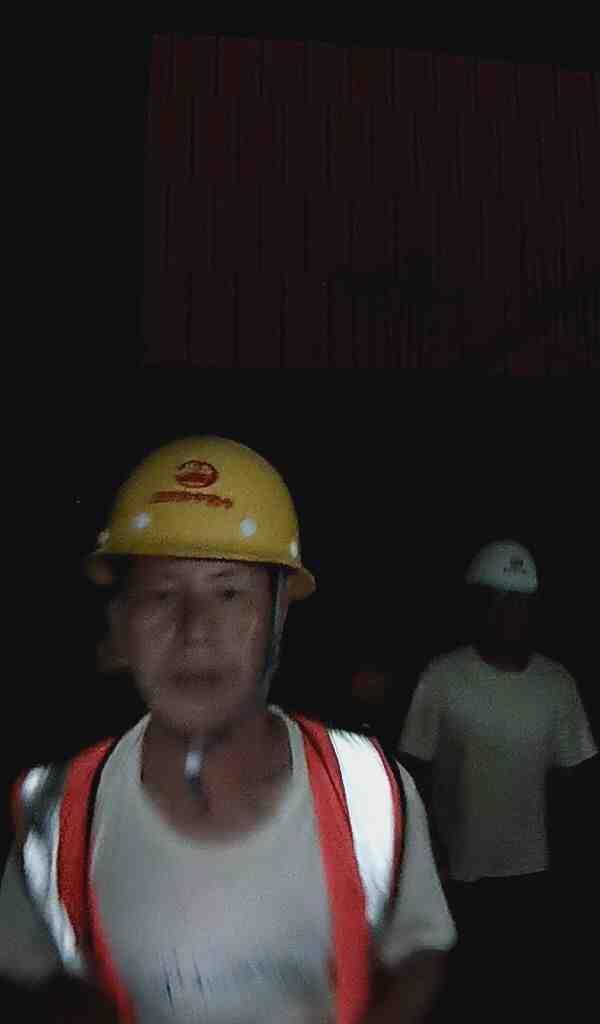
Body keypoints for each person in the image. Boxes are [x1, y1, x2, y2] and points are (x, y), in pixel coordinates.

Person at [1, 436, 455, 1024]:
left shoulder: (367, 788)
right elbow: (27, 980)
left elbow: (420, 951)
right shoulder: (57, 807)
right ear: (121, 622)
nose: (195, 631)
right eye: (161, 594)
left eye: (230, 593)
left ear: (278, 614)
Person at [398, 539, 598, 1020]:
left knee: (524, 996)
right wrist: (427, 853)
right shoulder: (442, 678)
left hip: (535, 881)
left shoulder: (556, 684)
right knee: (465, 999)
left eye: (522, 603)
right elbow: (411, 772)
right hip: (460, 877)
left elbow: (577, 780)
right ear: (480, 606)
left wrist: (574, 876)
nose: (512, 614)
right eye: (501, 601)